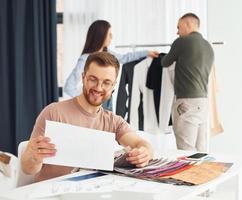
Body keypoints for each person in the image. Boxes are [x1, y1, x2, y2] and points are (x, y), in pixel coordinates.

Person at [21, 52, 153, 182]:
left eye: (106, 82)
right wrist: (33, 157)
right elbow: (28, 169)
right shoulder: (53, 112)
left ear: (113, 86)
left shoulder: (114, 122)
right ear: (83, 77)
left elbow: (140, 144)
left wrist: (145, 152)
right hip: (50, 193)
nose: (98, 88)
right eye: (93, 79)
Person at [64, 20, 159, 111]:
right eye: (109, 34)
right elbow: (69, 87)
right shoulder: (85, 59)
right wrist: (86, 100)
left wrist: (147, 53)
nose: (111, 37)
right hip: (94, 107)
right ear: (101, 36)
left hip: (107, 103)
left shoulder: (108, 53)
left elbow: (125, 58)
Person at [161, 13, 214, 152]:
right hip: (203, 102)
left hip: (186, 102)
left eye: (178, 27)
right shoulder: (208, 47)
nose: (177, 32)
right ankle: (202, 174)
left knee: (185, 150)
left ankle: (187, 174)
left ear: (187, 24)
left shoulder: (182, 42)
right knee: (201, 150)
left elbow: (165, 62)